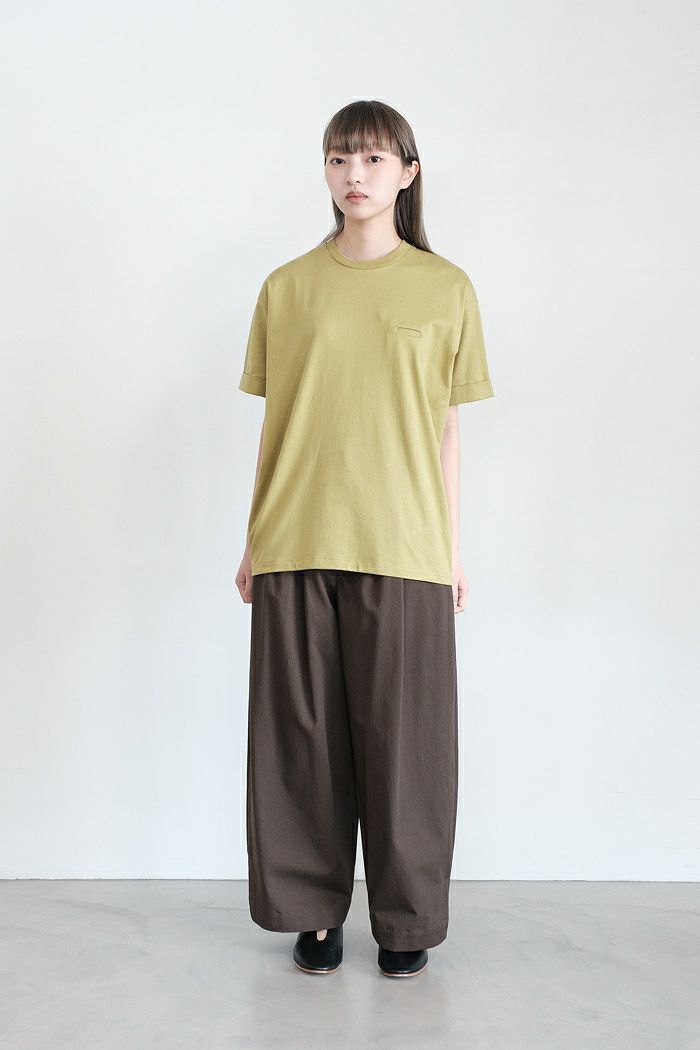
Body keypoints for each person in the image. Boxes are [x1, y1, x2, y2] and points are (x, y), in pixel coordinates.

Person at [235, 99, 494, 978]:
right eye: (341, 158)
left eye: (375, 159)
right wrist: (253, 538)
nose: (355, 175)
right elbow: (277, 424)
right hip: (297, 537)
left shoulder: (446, 288)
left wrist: (450, 548)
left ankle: (406, 920)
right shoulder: (287, 288)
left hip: (405, 543)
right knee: (300, 741)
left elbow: (447, 430)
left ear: (408, 173)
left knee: (406, 744)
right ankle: (311, 913)